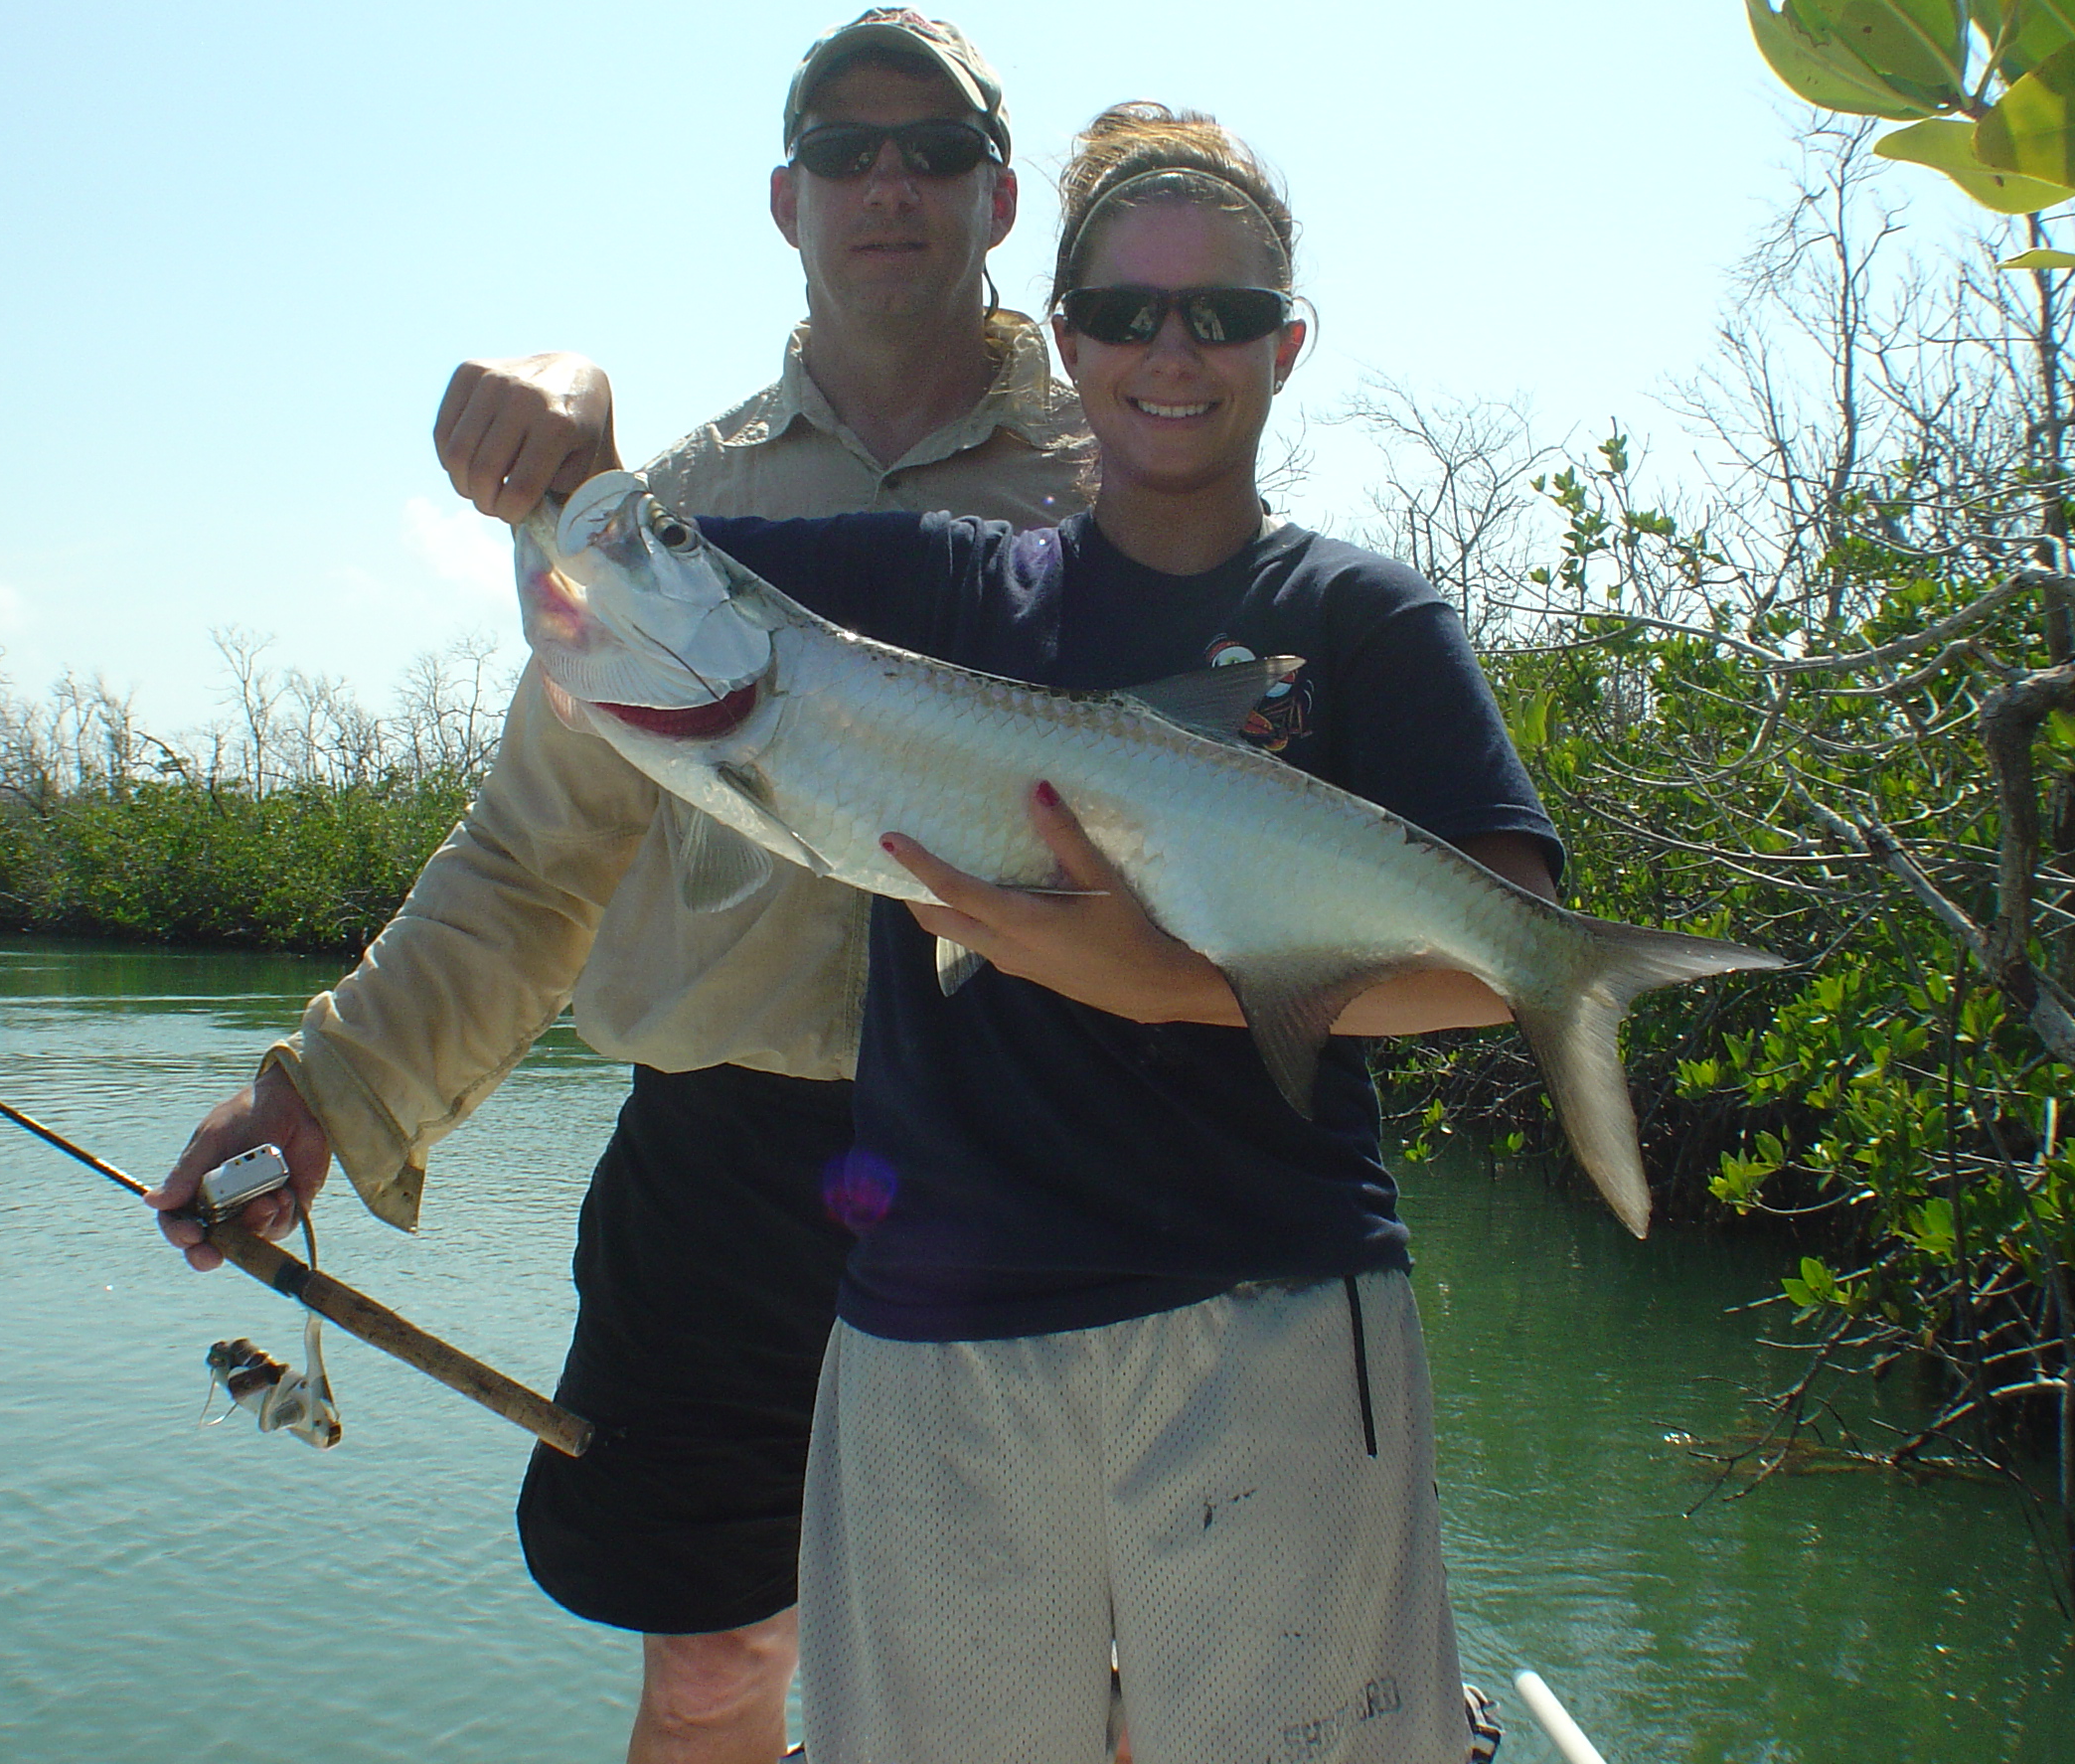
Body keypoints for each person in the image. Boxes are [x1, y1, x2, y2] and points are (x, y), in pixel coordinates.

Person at [144, 10, 1084, 1764]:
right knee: (719, 1666)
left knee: (1079, 1681)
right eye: (847, 144)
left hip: (1043, 1153)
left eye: (937, 146)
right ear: (784, 196)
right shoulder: (664, 517)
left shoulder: (1117, 490)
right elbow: (529, 859)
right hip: (726, 1170)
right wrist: (317, 1094)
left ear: (1001, 195)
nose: (893, 178)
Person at [587, 103, 1555, 1761]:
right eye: (1124, 311)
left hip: (1276, 1308)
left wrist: (1160, 986)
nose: (1171, 352)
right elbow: (633, 557)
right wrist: (560, 421)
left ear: (1286, 345)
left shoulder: (1364, 619)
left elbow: (1509, 945)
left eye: (1224, 314)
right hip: (938, 1339)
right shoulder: (950, 592)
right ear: (1066, 335)